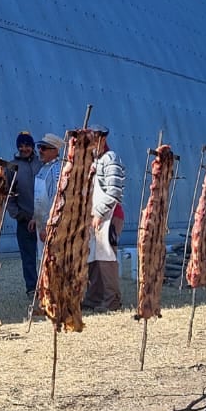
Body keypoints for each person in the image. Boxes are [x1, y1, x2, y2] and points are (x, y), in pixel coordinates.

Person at [84, 127, 125, 311]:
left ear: (100, 139)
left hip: (109, 216)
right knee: (93, 257)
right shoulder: (95, 161)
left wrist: (100, 213)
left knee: (106, 257)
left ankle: (112, 300)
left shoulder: (110, 158)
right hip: (95, 217)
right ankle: (94, 297)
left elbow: (114, 191)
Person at [7, 131, 42, 301]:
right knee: (28, 257)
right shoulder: (12, 167)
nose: (24, 148)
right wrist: (17, 214)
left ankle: (47, 285)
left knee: (46, 255)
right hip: (24, 219)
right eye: (21, 145)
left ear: (33, 146)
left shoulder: (41, 163)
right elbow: (8, 194)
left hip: (44, 218)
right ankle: (32, 289)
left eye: (27, 145)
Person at [33, 133, 64, 242]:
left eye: (44, 148)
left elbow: (56, 200)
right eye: (39, 147)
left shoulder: (57, 170)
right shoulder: (44, 168)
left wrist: (48, 226)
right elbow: (40, 199)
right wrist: (35, 218)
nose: (40, 151)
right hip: (41, 224)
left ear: (55, 151)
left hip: (51, 226)